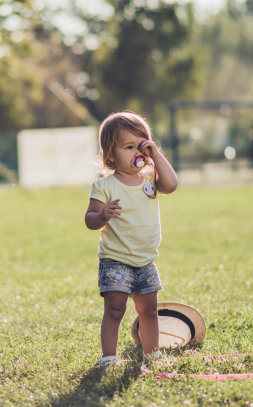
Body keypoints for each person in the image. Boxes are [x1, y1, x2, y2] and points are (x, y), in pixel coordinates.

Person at [84, 111, 178, 367]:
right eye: (129, 147)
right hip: (115, 259)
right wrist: (103, 214)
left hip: (146, 259)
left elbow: (171, 185)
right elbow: (90, 220)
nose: (138, 152)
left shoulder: (149, 179)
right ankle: (109, 357)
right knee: (115, 310)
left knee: (149, 311)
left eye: (142, 145)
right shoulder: (104, 186)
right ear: (111, 155)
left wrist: (155, 155)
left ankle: (152, 353)